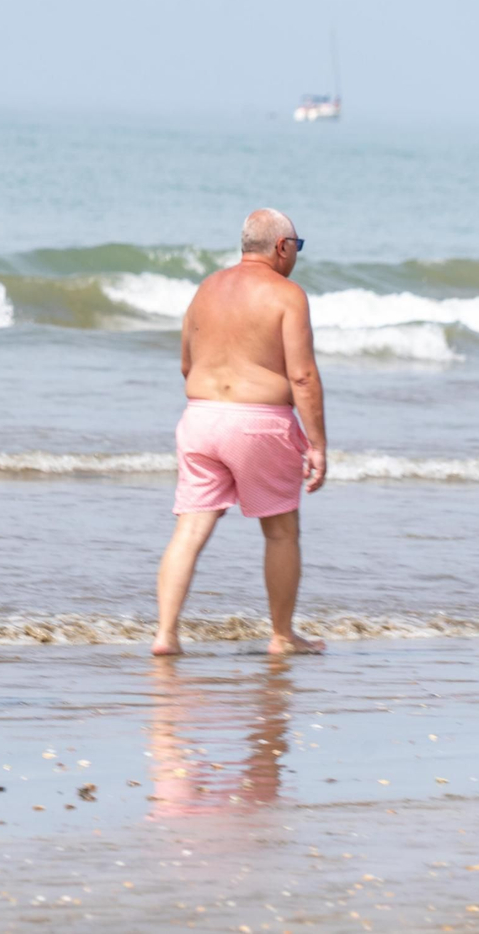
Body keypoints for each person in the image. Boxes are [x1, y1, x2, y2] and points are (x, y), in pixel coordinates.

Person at [152, 208, 328, 658]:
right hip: (259, 423)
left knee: (190, 528)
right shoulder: (287, 294)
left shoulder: (205, 289)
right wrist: (318, 444)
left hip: (200, 418)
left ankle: (166, 635)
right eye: (297, 247)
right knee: (281, 531)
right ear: (282, 247)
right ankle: (282, 636)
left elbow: (187, 364)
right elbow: (303, 375)